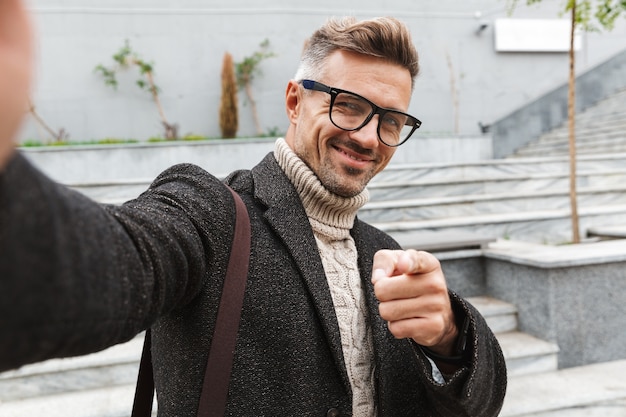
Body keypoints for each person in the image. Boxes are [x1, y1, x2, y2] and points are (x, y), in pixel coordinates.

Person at [0, 1, 507, 415]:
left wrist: (448, 333)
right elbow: (108, 266)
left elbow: (482, 403)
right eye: (348, 105)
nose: (368, 136)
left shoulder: (384, 252)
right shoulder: (212, 213)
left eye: (391, 121)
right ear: (293, 101)